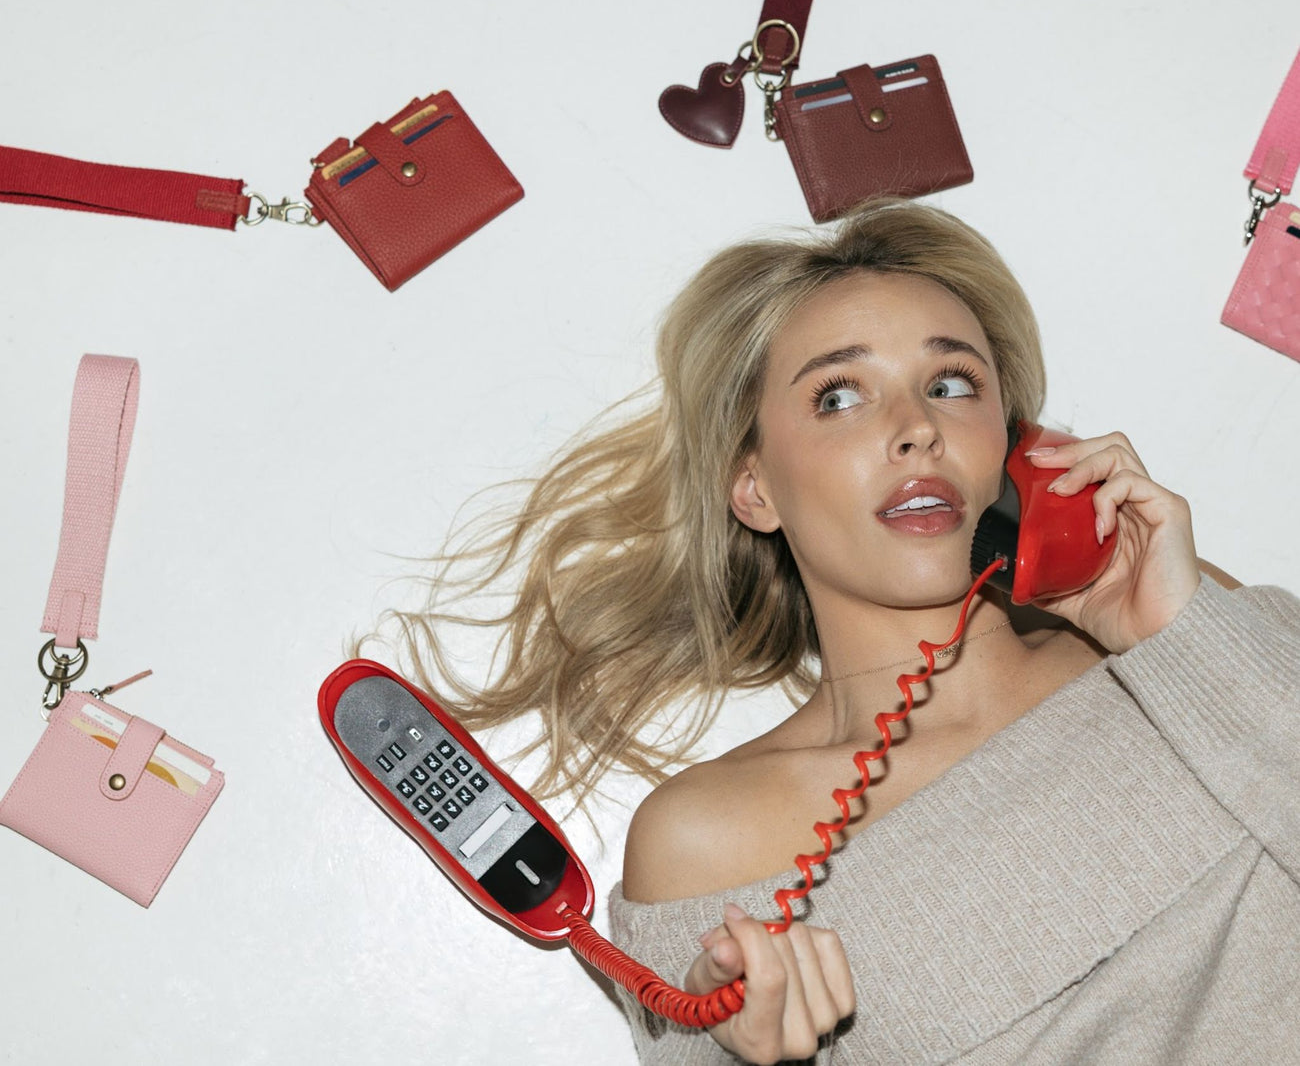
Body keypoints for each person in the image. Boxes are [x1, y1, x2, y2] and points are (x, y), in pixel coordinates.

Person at [388, 202, 1300, 1065]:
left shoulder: (1187, 644)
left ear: (1016, 445)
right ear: (755, 489)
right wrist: (726, 1048)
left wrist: (1191, 635)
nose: (916, 429)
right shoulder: (706, 841)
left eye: (951, 384)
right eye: (838, 397)